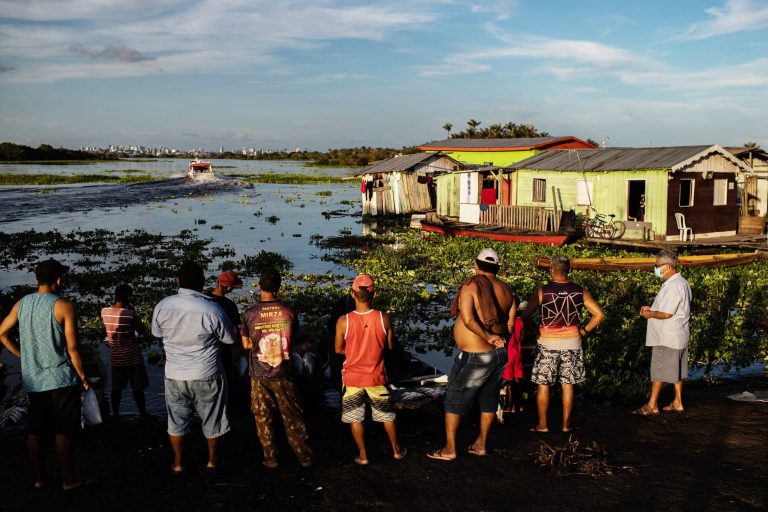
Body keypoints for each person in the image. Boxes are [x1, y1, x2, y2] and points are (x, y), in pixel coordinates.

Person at [0, 259, 91, 490]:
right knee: (63, 430)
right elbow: (72, 349)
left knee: (36, 429)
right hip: (61, 379)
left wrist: (22, 355)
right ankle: (69, 479)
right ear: (59, 279)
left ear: (35, 279)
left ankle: (40, 478)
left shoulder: (22, 304)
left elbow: (2, 333)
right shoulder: (64, 306)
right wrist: (83, 376)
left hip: (33, 379)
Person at [428, 248, 515, 461]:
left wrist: (487, 336)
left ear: (476, 265)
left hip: (476, 356)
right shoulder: (506, 289)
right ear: (498, 267)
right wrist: (497, 340)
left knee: (454, 401)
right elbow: (510, 323)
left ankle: (449, 449)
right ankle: (481, 444)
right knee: (488, 400)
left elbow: (467, 319)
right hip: (498, 354)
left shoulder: (472, 285)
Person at [151, 261, 235, 474]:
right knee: (213, 419)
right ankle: (212, 461)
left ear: (178, 281)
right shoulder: (211, 308)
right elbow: (229, 339)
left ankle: (178, 463)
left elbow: (157, 334)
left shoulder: (163, 305)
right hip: (206, 372)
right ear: (202, 282)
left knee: (176, 421)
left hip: (174, 374)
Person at [522, 254, 605, 433]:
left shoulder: (542, 291)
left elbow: (525, 316)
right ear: (570, 270)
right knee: (568, 384)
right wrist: (583, 330)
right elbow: (599, 314)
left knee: (543, 384)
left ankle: (542, 425)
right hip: (572, 343)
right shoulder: (579, 290)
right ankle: (566, 425)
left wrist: (534, 330)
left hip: (547, 343)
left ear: (551, 270)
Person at [241, 268, 314, 469]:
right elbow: (293, 338)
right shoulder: (289, 311)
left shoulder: (250, 313)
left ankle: (271, 459)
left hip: (259, 374)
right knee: (293, 417)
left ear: (259, 286)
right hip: (284, 372)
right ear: (279, 288)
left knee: (263, 419)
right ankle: (305, 457)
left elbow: (246, 345)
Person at [335, 274, 405, 465]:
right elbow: (389, 346)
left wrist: (354, 349)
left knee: (355, 417)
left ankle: (364, 455)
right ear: (374, 294)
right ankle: (396, 450)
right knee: (387, 416)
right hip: (376, 376)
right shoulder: (383, 318)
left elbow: (338, 349)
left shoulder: (344, 320)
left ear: (352, 294)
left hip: (352, 378)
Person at [633, 250, 692, 415]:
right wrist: (652, 309)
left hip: (667, 336)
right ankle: (678, 402)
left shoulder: (673, 285)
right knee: (678, 370)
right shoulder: (681, 282)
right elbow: (668, 308)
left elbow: (666, 314)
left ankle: (652, 405)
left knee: (658, 371)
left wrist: (648, 314)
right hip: (678, 335)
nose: (655, 268)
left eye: (657, 265)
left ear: (667, 266)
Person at [101, 284, 152, 420]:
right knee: (137, 388)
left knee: (116, 389)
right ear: (128, 298)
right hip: (132, 357)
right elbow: (141, 330)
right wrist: (134, 312)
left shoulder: (104, 312)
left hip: (115, 357)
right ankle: (142, 413)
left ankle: (115, 414)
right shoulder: (131, 314)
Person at [208, 271, 243, 397]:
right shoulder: (230, 306)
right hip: (223, 352)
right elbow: (236, 331)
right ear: (228, 288)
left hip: (206, 352)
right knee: (225, 388)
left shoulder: (204, 299)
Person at [502, 301, 526, 414]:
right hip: (518, 352)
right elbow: (522, 338)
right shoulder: (520, 321)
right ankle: (519, 405)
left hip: (509, 352)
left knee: (509, 382)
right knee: (517, 380)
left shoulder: (505, 322)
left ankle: (510, 406)